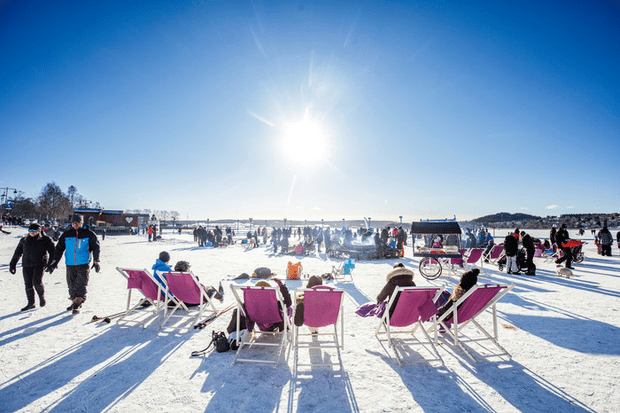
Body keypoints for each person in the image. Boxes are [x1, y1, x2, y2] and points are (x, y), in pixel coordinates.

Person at [48, 214, 100, 314]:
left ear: (82, 223)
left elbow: (96, 247)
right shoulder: (66, 234)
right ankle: (74, 300)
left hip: (83, 263)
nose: (76, 225)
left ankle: (77, 303)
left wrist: (96, 260)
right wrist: (55, 261)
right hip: (70, 263)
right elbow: (59, 249)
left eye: (78, 223)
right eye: (74, 223)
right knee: (71, 284)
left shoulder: (89, 234)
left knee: (81, 284)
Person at [9, 223, 56, 311]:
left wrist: (50, 264)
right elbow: (17, 253)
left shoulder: (45, 239)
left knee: (37, 282)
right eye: (30, 230)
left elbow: (53, 252)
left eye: (34, 230)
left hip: (39, 264)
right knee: (28, 284)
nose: (32, 232)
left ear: (39, 231)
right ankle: (31, 303)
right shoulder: (24, 240)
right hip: (26, 265)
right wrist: (12, 264)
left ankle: (41, 296)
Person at [226, 278, 292, 335]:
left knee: (242, 309)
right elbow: (288, 302)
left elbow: (242, 312)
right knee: (287, 308)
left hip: (262, 326)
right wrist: (281, 285)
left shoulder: (250, 305)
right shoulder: (274, 304)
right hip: (276, 324)